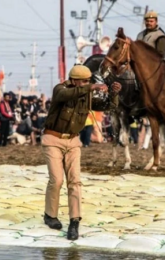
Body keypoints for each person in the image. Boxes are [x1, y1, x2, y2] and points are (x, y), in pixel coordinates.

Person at [42, 65, 121, 240]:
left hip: (73, 141)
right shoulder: (60, 89)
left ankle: (74, 221)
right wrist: (90, 87)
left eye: (89, 81)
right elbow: (64, 96)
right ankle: (50, 215)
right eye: (85, 81)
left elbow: (107, 106)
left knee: (75, 181)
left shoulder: (87, 94)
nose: (88, 84)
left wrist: (114, 93)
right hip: (53, 139)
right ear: (75, 80)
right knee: (57, 180)